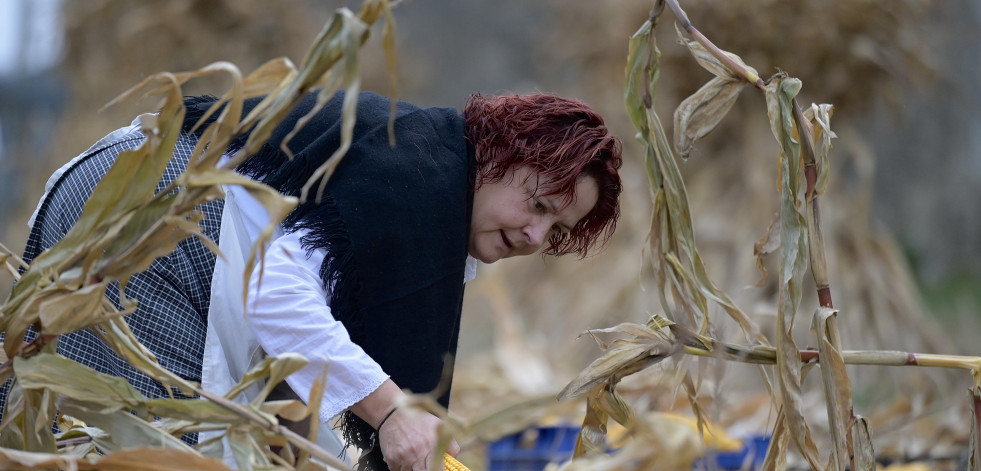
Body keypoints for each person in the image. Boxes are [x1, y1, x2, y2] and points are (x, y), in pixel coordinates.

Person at [5, 89, 622, 470]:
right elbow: (273, 294)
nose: (537, 237)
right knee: (139, 455)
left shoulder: (419, 165)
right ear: (498, 158)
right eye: (539, 205)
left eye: (558, 231)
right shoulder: (421, 188)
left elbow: (295, 353)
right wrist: (393, 413)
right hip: (158, 224)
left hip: (123, 190)